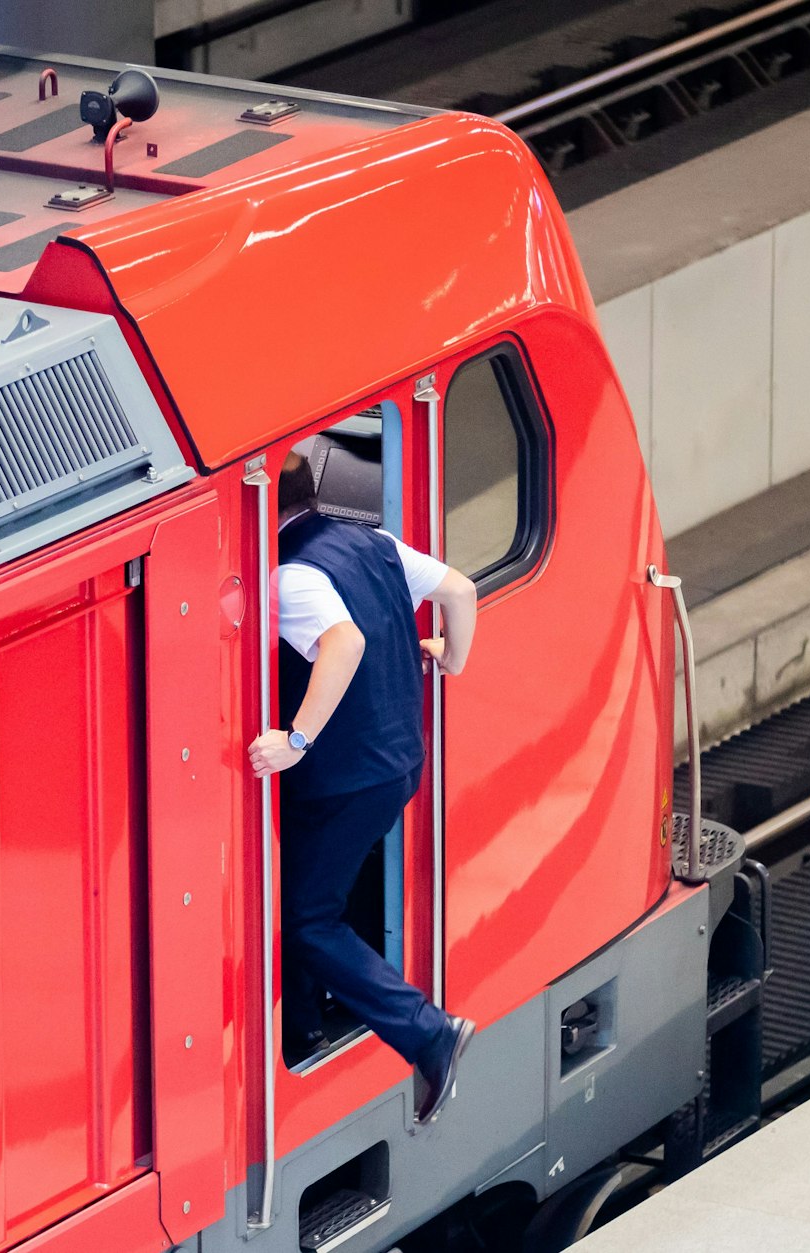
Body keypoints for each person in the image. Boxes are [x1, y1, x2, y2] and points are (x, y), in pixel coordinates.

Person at [247, 443, 479, 1125]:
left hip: (347, 775)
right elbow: (460, 592)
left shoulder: (289, 576)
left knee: (305, 916)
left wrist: (294, 741)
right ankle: (311, 1022)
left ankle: (428, 1031)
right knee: (310, 890)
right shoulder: (367, 540)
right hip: (401, 757)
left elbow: (343, 644)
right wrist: (451, 659)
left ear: (263, 505)